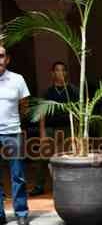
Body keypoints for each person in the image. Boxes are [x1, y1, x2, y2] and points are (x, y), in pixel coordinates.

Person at [30, 61, 78, 196]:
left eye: (63, 70)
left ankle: (68, 184)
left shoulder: (72, 91)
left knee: (67, 157)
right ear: (52, 73)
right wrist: (42, 133)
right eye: (57, 70)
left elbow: (77, 113)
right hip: (50, 128)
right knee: (43, 156)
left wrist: (77, 134)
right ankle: (39, 185)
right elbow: (42, 113)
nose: (60, 73)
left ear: (66, 73)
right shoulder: (47, 92)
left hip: (67, 128)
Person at [0, 44, 30, 225]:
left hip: (13, 132)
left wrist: (17, 122)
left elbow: (25, 105)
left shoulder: (17, 79)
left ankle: (21, 212)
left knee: (18, 175)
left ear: (7, 59)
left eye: (1, 56)